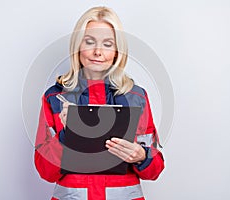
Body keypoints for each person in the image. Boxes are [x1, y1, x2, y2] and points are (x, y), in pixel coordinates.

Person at [34, 6, 165, 200]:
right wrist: (67, 135)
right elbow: (46, 172)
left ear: (117, 51)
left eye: (107, 44)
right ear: (77, 47)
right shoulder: (55, 98)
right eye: (89, 42)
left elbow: (154, 171)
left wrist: (141, 156)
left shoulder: (136, 97)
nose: (97, 52)